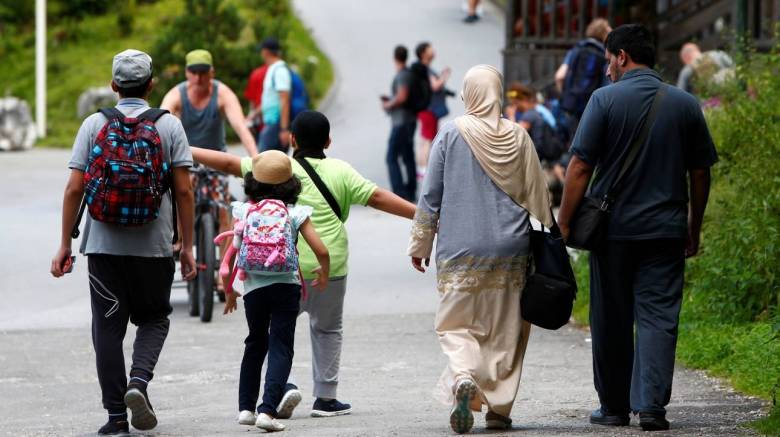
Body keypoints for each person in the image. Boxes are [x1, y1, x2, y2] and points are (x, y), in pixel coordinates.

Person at [188, 110, 416, 419]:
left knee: (272, 334)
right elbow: (376, 197)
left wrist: (182, 148)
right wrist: (421, 214)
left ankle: (281, 387)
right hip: (330, 267)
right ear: (328, 141)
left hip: (278, 269)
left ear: (291, 139)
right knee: (328, 330)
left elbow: (228, 163)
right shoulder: (341, 171)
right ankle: (325, 398)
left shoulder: (274, 167)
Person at [557, 24, 718, 431]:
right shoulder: (684, 104)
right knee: (659, 316)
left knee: (611, 317)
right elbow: (700, 173)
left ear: (622, 56)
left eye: (609, 60)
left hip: (612, 232)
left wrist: (564, 221)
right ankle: (651, 408)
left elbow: (579, 166)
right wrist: (692, 227)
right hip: (665, 231)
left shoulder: (604, 101)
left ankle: (613, 408)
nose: (607, 69)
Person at [50, 49, 196, 435]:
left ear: (114, 86)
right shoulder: (169, 127)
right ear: (151, 85)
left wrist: (64, 244)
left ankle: (116, 417)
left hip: (102, 247)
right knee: (154, 319)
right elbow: (184, 192)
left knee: (107, 330)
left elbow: (73, 189)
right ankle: (139, 382)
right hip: (153, 248)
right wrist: (189, 247)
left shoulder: (93, 125)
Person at [407, 65, 554, 434]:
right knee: (506, 328)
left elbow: (431, 196)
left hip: (461, 247)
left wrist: (420, 243)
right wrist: (553, 233)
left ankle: (462, 376)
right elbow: (540, 193)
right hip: (512, 246)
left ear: (469, 94)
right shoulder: (519, 137)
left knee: (456, 323)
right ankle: (499, 410)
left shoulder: (451, 134)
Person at [224, 150, 330, 432]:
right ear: (291, 184)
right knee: (280, 345)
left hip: (253, 289)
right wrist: (324, 270)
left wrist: (229, 291)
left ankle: (245, 408)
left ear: (252, 183)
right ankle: (267, 411)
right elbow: (321, 249)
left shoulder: (245, 211)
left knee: (255, 343)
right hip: (286, 286)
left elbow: (229, 260)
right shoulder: (294, 213)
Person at [161, 49, 258, 294]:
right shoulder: (177, 94)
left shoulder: (222, 93)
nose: (199, 78)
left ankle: (222, 278)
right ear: (187, 73)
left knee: (225, 210)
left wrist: (256, 160)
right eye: (194, 72)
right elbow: (162, 121)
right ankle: (181, 241)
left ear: (212, 72)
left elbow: (240, 125)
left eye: (204, 72)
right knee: (182, 195)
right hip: (186, 161)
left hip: (217, 161)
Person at [554, 18, 612, 126]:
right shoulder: (605, 54)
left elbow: (559, 76)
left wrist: (565, 96)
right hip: (593, 109)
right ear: (605, 35)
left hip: (572, 106)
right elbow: (607, 84)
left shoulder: (577, 49)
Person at [382, 45, 418, 201]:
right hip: (409, 120)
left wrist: (388, 104)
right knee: (407, 155)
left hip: (401, 122)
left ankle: (399, 192)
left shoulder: (402, 75)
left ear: (395, 58)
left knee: (391, 157)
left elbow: (402, 96)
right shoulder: (408, 74)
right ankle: (411, 189)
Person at [414, 42, 452, 181]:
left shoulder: (423, 68)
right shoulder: (425, 69)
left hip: (427, 108)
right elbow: (434, 86)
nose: (433, 51)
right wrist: (444, 77)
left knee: (426, 138)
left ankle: (422, 169)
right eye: (430, 49)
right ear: (423, 53)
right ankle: (423, 170)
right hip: (429, 109)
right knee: (427, 139)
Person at [257, 37, 293, 152]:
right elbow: (270, 99)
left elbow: (284, 99)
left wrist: (284, 129)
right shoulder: (274, 69)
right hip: (272, 123)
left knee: (264, 163)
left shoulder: (279, 71)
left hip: (276, 125)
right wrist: (253, 115)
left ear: (266, 52)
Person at [244, 50, 269, 140]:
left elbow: (252, 101)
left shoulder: (256, 73)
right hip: (274, 122)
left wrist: (250, 118)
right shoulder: (281, 73)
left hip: (259, 123)